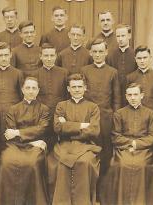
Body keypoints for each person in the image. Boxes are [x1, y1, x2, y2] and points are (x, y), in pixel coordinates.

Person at [100, 83, 153, 205]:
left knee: (141, 164)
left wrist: (136, 144)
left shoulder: (150, 113)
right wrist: (130, 143)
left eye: (136, 94)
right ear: (126, 96)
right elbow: (116, 136)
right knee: (122, 164)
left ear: (142, 95)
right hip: (124, 148)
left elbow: (152, 136)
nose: (133, 98)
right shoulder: (119, 113)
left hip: (144, 149)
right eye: (130, 95)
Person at [0, 77, 50, 205]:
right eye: (28, 88)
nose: (30, 91)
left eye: (33, 88)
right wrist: (31, 141)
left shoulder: (44, 109)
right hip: (16, 145)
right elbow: (10, 134)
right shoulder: (13, 109)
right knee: (6, 162)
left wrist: (18, 132)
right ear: (22, 90)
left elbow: (41, 129)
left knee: (31, 163)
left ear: (38, 91)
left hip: (35, 148)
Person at [48, 73, 101, 205]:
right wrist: (82, 126)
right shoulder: (61, 106)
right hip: (64, 145)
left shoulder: (93, 107)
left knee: (85, 162)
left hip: (86, 145)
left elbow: (94, 130)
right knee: (61, 163)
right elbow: (57, 128)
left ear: (85, 88)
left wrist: (68, 127)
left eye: (79, 86)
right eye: (73, 87)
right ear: (68, 89)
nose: (77, 90)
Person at [80, 38, 121, 175]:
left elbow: (116, 99)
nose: (98, 54)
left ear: (106, 52)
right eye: (95, 52)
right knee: (89, 151)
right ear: (90, 53)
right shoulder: (84, 71)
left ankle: (104, 188)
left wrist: (115, 118)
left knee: (106, 152)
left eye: (101, 51)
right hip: (89, 118)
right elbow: (82, 95)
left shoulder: (112, 72)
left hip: (106, 118)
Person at [126, 45, 153, 167]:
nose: (142, 61)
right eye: (139, 58)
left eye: (145, 57)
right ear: (135, 59)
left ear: (150, 58)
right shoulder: (130, 77)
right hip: (134, 121)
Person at [35, 43, 68, 151]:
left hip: (59, 115)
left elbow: (66, 96)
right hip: (41, 115)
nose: (49, 59)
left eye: (51, 55)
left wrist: (63, 115)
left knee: (59, 146)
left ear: (56, 56)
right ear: (40, 56)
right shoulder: (35, 74)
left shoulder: (64, 73)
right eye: (46, 55)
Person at [107, 24, 137, 106]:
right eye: (118, 36)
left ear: (129, 36)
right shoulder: (110, 55)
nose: (120, 39)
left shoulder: (135, 55)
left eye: (123, 36)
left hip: (132, 94)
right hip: (114, 94)